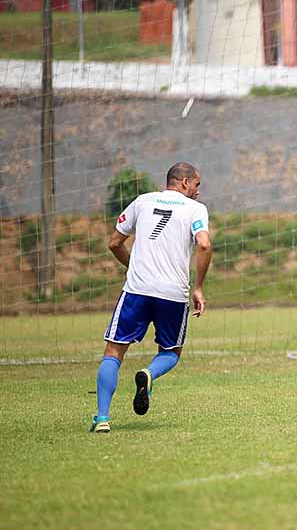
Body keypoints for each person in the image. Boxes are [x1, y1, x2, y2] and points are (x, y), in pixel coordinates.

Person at [90, 163, 212, 433]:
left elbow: (114, 243)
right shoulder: (195, 210)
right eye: (196, 185)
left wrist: (134, 265)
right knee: (170, 352)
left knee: (114, 351)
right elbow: (204, 244)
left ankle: (102, 418)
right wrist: (199, 287)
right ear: (182, 183)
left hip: (137, 289)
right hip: (173, 293)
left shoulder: (142, 201)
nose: (198, 191)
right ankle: (149, 374)